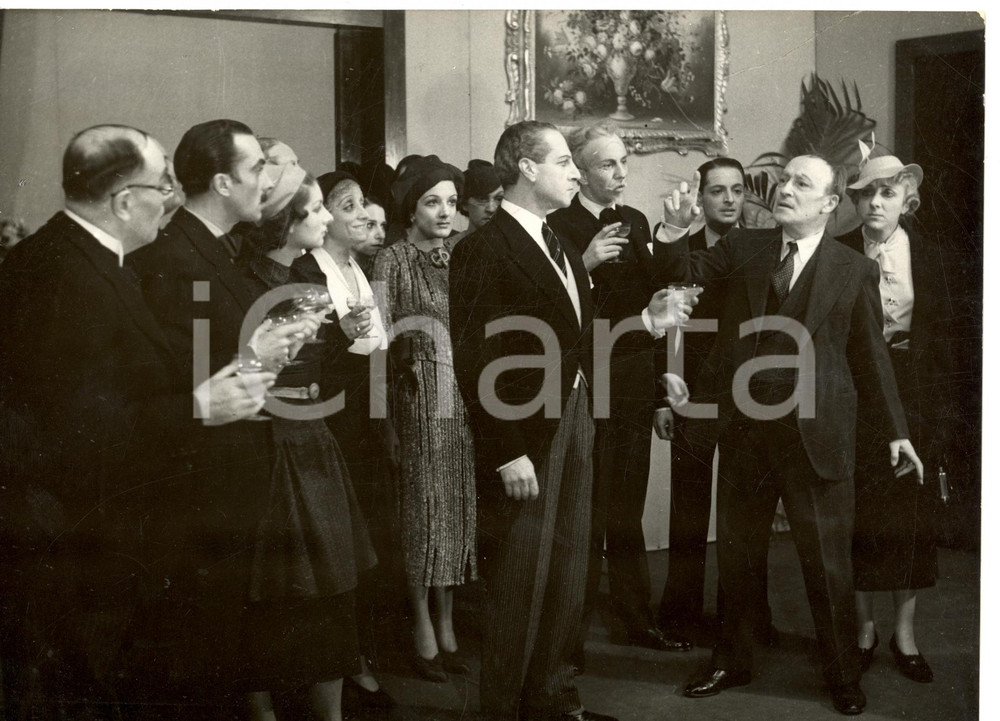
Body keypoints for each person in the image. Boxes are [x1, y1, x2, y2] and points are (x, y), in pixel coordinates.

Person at [0, 124, 273, 717]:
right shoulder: (61, 276)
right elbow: (74, 433)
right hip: (75, 558)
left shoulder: (84, 259)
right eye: (162, 186)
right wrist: (201, 407)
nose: (172, 197)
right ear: (124, 201)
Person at [658, 155, 923, 715]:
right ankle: (731, 660)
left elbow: (872, 359)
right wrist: (676, 230)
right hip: (746, 435)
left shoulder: (854, 270)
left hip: (818, 438)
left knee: (827, 565)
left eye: (802, 183)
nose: (785, 189)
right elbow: (683, 273)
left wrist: (896, 432)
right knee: (738, 558)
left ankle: (843, 676)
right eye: (784, 180)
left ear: (829, 203)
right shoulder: (744, 249)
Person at [450, 120, 694, 721]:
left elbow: (577, 342)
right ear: (527, 169)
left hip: (575, 419)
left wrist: (648, 321)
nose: (575, 172)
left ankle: (554, 699)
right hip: (527, 436)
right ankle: (506, 710)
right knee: (519, 582)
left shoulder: (554, 240)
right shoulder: (482, 247)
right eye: (563, 162)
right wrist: (506, 451)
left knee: (565, 570)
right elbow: (476, 360)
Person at [128, 119, 314, 715]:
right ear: (222, 183)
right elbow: (169, 378)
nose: (270, 179)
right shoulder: (176, 256)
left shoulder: (210, 249)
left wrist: (268, 345)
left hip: (227, 480)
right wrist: (256, 350)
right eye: (258, 168)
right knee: (196, 659)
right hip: (199, 489)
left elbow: (214, 355)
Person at [546, 123, 692, 659]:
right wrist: (582, 265)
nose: (621, 172)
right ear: (580, 171)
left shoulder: (633, 221)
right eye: (608, 164)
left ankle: (637, 622)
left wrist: (672, 234)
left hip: (630, 384)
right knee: (581, 515)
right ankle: (568, 638)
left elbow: (661, 298)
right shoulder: (556, 224)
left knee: (625, 513)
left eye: (623, 161)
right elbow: (554, 311)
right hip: (579, 384)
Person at [238, 165, 377, 721]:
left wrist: (346, 345)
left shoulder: (308, 283)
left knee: (330, 586)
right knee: (274, 590)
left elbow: (324, 378)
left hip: (313, 439)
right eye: (316, 209)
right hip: (272, 444)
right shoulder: (245, 282)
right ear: (283, 221)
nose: (326, 218)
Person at [840, 153, 953, 684]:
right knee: (858, 511)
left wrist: (940, 415)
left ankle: (905, 635)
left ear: (906, 198)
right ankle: (863, 628)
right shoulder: (838, 254)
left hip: (915, 393)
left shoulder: (931, 256)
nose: (875, 204)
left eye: (886, 194)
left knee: (910, 514)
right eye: (865, 194)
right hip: (857, 395)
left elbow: (952, 341)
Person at [292, 170, 398, 714]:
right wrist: (350, 342)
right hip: (331, 425)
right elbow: (312, 366)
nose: (361, 214)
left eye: (364, 205)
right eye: (348, 205)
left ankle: (359, 658)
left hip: (365, 425)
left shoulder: (359, 267)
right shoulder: (307, 270)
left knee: (365, 546)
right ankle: (341, 668)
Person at [658, 157, 774, 646]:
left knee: (743, 516)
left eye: (736, 190)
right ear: (700, 198)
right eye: (717, 191)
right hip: (691, 393)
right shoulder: (683, 249)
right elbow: (667, 327)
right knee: (687, 510)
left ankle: (744, 619)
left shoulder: (769, 247)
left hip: (747, 396)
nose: (729, 199)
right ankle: (681, 614)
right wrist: (661, 398)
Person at [373, 155, 477, 683]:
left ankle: (448, 623)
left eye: (453, 202)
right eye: (433, 201)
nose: (445, 212)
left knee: (455, 507)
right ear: (411, 208)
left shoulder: (462, 256)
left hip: (461, 399)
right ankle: (421, 627)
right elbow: (377, 337)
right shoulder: (392, 259)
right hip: (415, 398)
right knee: (421, 511)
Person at [452, 159, 503, 243]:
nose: (491, 209)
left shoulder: (516, 248)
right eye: (482, 199)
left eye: (499, 199)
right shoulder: (447, 251)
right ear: (464, 203)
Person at [355, 195, 388, 276]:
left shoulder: (379, 269)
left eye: (383, 226)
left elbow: (379, 288)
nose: (381, 235)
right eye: (370, 225)